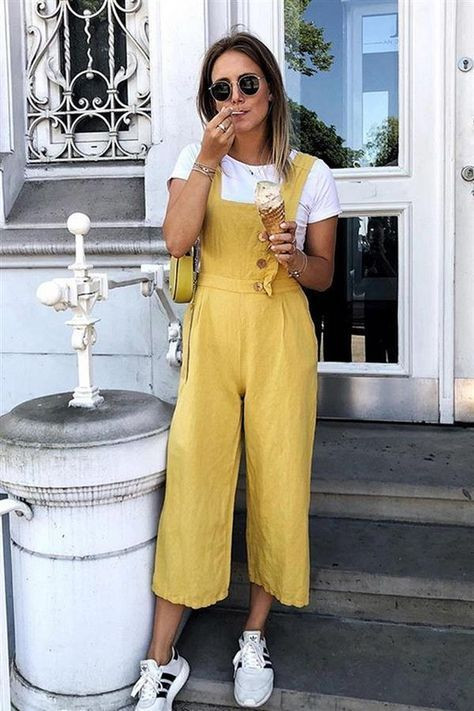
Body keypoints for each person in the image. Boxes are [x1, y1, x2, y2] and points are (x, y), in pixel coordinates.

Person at [131, 29, 341, 710]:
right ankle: (160, 657)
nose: (235, 97)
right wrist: (206, 161)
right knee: (194, 473)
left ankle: (254, 632)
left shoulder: (310, 173)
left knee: (279, 476)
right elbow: (176, 240)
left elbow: (324, 274)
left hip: (281, 329)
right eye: (221, 88)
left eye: (247, 83)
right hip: (216, 327)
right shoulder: (197, 158)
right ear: (209, 99)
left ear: (271, 90)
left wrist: (294, 259)